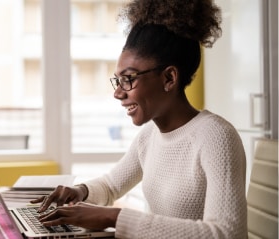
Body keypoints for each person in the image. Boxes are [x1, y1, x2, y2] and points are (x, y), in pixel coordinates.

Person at [31, 0, 248, 238]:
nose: (118, 93)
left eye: (129, 79)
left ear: (169, 78)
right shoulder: (149, 137)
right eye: (117, 80)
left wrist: (112, 217)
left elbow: (227, 233)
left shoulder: (216, 137)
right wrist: (80, 191)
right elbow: (111, 185)